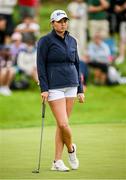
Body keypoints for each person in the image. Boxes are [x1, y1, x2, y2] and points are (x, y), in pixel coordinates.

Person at [37, 10, 84, 172]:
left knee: (61, 125)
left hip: (71, 84)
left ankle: (57, 161)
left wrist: (80, 89)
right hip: (54, 87)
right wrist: (44, 88)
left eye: (65, 20)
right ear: (52, 23)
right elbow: (40, 65)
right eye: (59, 21)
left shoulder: (72, 41)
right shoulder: (45, 41)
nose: (63, 23)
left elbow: (77, 65)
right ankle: (71, 149)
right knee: (63, 123)